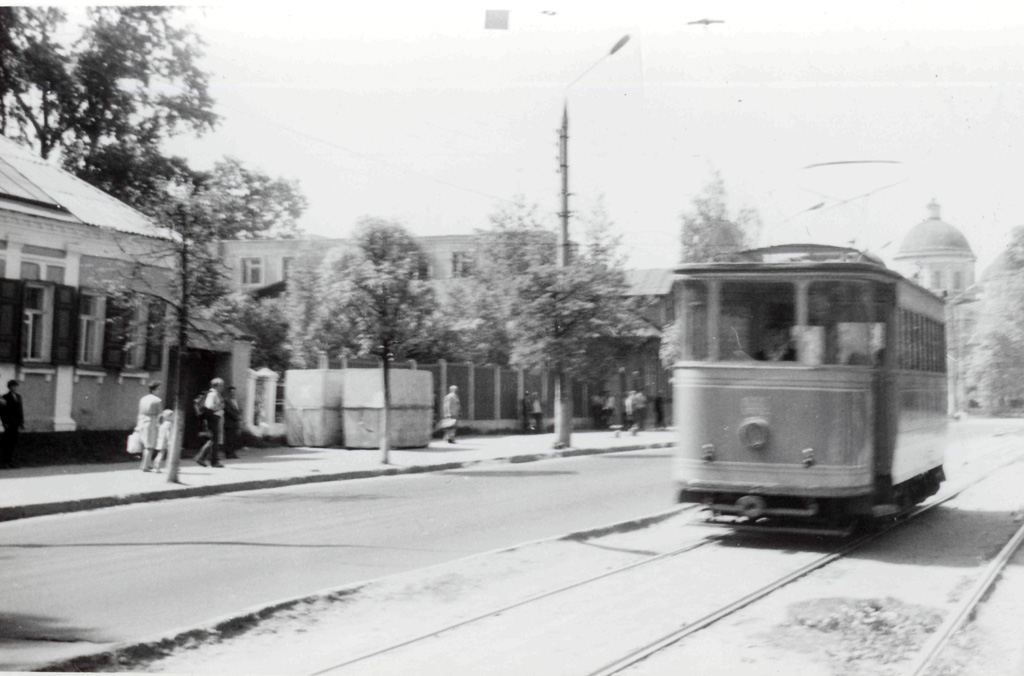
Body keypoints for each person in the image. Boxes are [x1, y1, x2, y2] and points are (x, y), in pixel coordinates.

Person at [194, 378, 226, 467]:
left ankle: (210, 460)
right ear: (216, 385)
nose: (222, 387)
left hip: (214, 417)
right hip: (212, 418)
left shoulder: (216, 394)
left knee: (214, 439)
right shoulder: (212, 394)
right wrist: (220, 406)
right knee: (213, 439)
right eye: (221, 385)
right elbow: (209, 406)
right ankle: (204, 458)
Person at [137, 382, 162, 472]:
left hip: (142, 421)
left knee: (145, 445)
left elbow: (140, 412)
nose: (159, 391)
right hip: (152, 422)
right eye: (158, 389)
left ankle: (145, 463)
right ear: (154, 390)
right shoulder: (157, 400)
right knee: (150, 446)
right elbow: (160, 414)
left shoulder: (143, 399)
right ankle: (145, 466)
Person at [0, 380, 24, 469]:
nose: (15, 388)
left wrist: (21, 423)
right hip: (9, 424)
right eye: (13, 386)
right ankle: (4, 462)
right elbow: (2, 411)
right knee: (7, 443)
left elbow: (20, 411)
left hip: (16, 423)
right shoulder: (5, 397)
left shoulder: (18, 396)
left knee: (13, 442)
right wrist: (4, 422)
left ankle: (10, 461)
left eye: (16, 386)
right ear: (9, 387)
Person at [151, 409, 174, 473]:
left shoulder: (162, 424)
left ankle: (156, 467)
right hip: (166, 441)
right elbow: (168, 433)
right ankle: (169, 467)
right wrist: (170, 441)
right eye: (172, 416)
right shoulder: (169, 424)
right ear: (169, 416)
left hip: (160, 440)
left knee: (160, 454)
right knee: (168, 454)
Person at [223, 386, 242, 459]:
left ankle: (233, 453)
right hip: (229, 423)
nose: (233, 394)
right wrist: (237, 417)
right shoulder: (226, 401)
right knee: (229, 439)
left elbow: (239, 410)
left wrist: (239, 416)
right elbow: (228, 411)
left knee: (234, 439)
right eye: (232, 392)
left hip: (235, 423)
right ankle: (228, 454)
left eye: (234, 392)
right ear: (229, 393)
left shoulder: (236, 401)